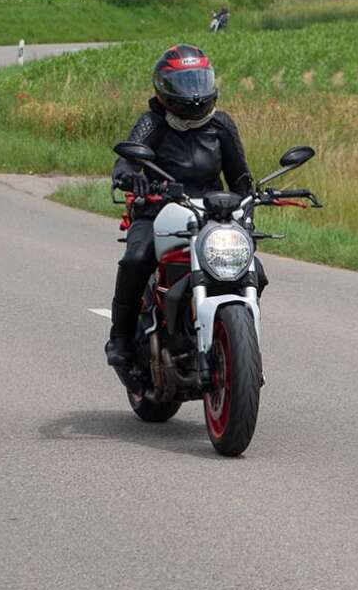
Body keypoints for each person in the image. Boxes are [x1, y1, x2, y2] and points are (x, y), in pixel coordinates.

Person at [107, 43, 251, 367]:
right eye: (184, 85)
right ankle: (119, 336)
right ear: (164, 88)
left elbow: (241, 179)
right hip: (159, 209)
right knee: (135, 259)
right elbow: (126, 163)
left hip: (211, 213)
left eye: (198, 82)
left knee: (250, 266)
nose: (194, 94)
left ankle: (236, 338)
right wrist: (134, 179)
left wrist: (255, 197)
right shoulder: (153, 123)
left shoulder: (221, 125)